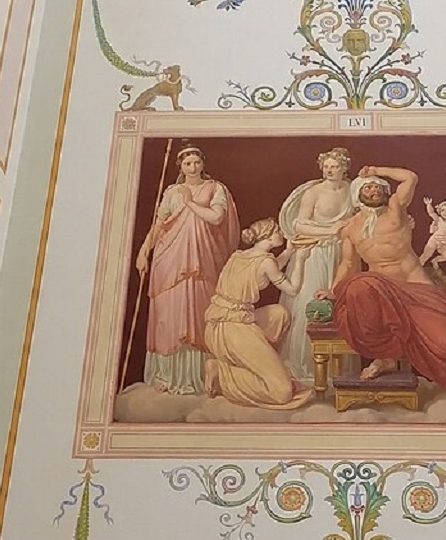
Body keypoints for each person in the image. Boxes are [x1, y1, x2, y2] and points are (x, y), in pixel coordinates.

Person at [318, 165, 446, 416]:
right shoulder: (350, 228)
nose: (373, 190)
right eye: (367, 187)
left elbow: (410, 177)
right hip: (383, 293)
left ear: (386, 191)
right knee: (358, 286)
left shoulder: (396, 208)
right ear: (358, 195)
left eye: (377, 186)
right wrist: (332, 291)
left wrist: (375, 169)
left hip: (417, 288)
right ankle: (385, 357)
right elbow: (347, 264)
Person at [135, 144, 240, 394]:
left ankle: (199, 377)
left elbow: (216, 218)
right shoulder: (172, 192)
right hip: (169, 260)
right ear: (180, 167)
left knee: (199, 311)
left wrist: (190, 202)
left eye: (196, 162)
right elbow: (159, 224)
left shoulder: (215, 188)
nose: (192, 168)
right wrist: (144, 250)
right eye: (187, 164)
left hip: (203, 259)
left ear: (203, 163)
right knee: (169, 314)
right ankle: (168, 376)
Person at [204, 218, 313, 409]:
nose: (281, 234)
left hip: (218, 326)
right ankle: (221, 374)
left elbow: (270, 268)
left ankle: (260, 365)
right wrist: (300, 260)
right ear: (268, 236)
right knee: (283, 392)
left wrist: (289, 251)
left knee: (280, 314)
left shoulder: (239, 256)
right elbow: (293, 289)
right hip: (235, 330)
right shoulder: (266, 262)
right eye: (278, 231)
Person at [278, 147, 356, 380]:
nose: (329, 171)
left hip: (344, 253)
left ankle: (338, 372)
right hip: (315, 253)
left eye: (334, 167)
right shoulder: (313, 191)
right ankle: (307, 368)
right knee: (311, 304)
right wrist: (330, 230)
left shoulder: (352, 189)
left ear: (344, 168)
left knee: (341, 306)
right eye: (326, 166)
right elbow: (299, 225)